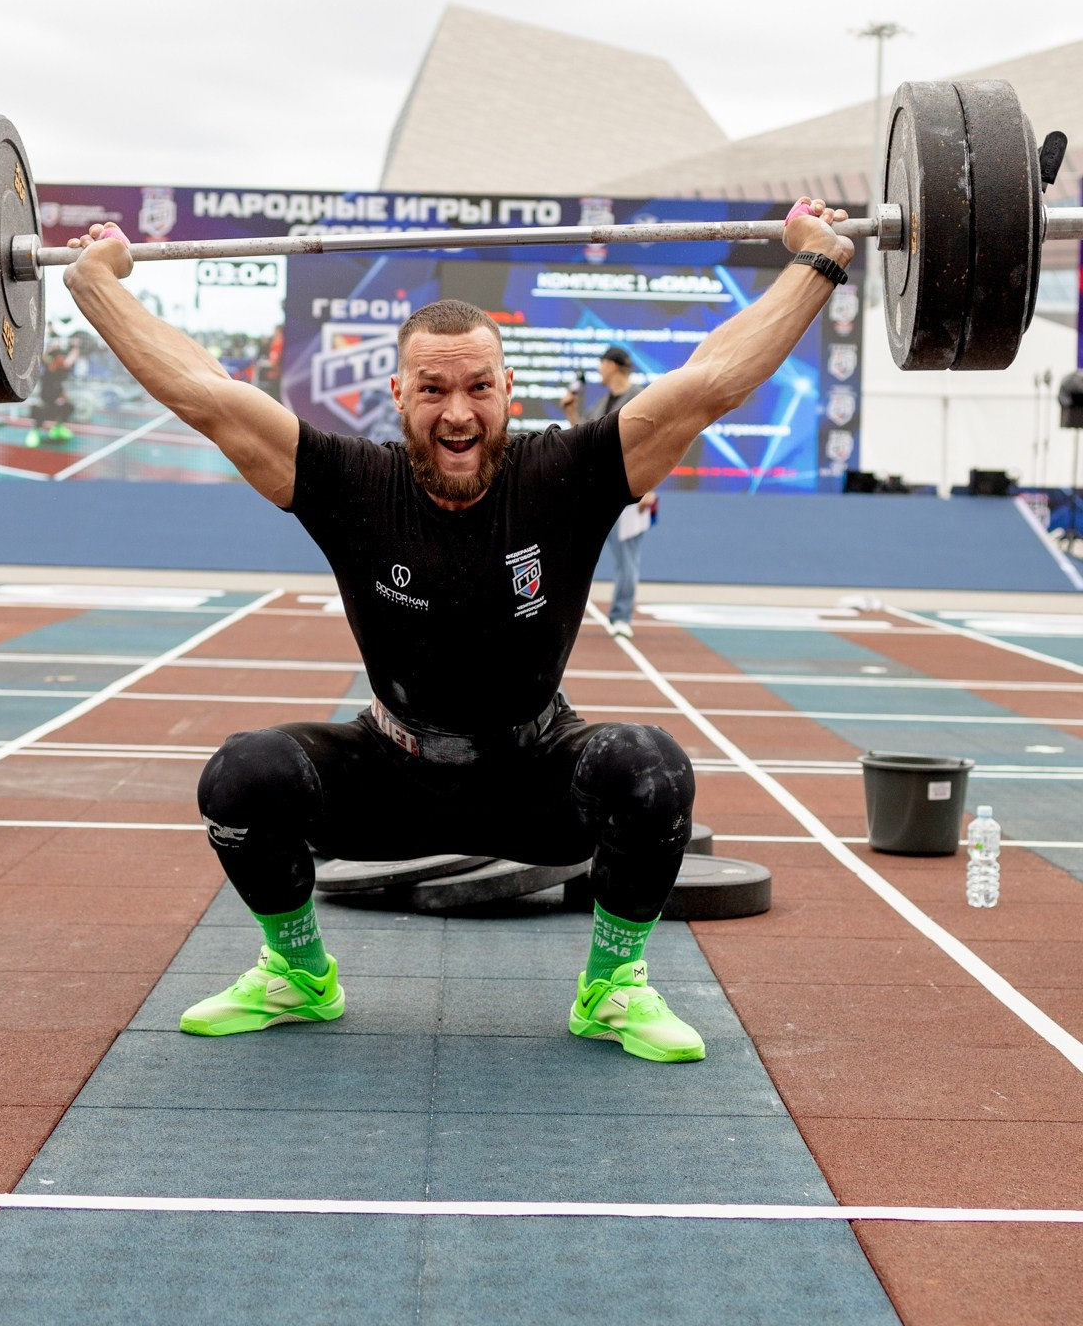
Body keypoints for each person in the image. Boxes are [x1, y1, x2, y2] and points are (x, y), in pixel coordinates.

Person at [64, 198, 852, 1064]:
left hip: (538, 776)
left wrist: (815, 261)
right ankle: (298, 974)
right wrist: (96, 286)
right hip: (390, 772)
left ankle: (612, 988)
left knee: (650, 769)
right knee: (242, 777)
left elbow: (710, 383)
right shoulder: (348, 484)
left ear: (508, 390)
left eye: (478, 386)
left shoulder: (570, 473)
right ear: (398, 393)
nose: (457, 414)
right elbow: (207, 397)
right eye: (433, 389)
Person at [561, 344, 655, 637]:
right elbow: (583, 440)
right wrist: (572, 411)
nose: (599, 369)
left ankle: (621, 617)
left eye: (602, 363)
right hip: (598, 491)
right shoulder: (602, 404)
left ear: (613, 366)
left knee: (627, 557)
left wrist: (650, 487)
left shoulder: (640, 397)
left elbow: (654, 443)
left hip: (632, 488)